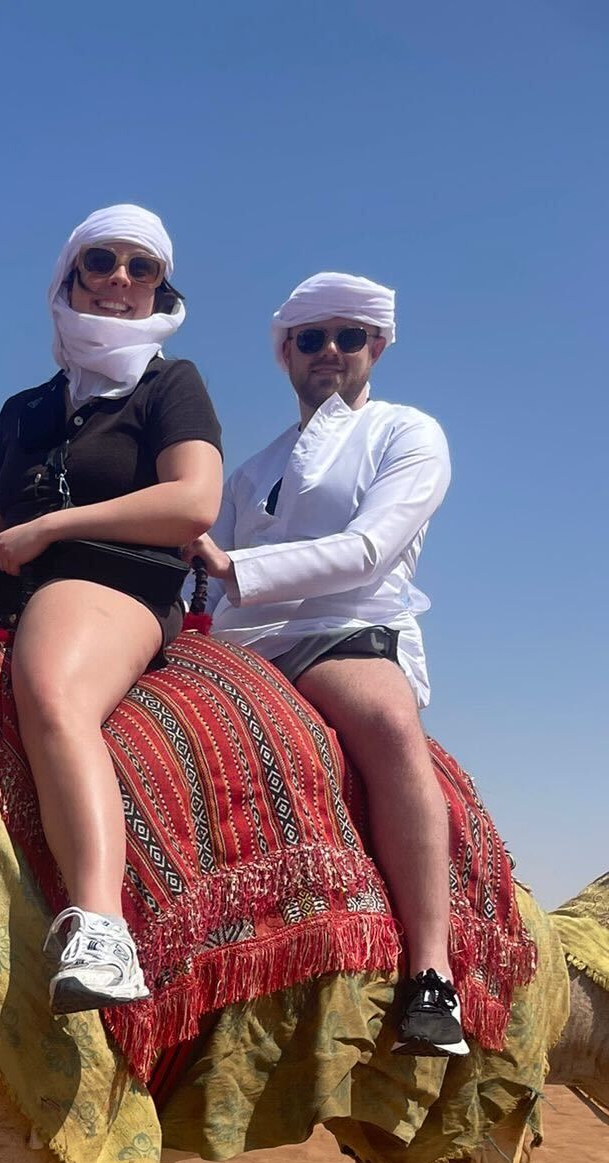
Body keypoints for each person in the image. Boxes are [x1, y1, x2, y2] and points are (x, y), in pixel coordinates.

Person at [0, 206, 222, 1013]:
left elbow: (193, 502)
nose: (122, 281)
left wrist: (57, 526)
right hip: (15, 597)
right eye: (103, 262)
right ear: (70, 277)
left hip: (123, 583)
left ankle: (103, 927)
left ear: (162, 288)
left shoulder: (172, 384)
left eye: (144, 268)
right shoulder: (22, 410)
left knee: (54, 691)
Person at [191, 272, 464, 1055]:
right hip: (244, 642)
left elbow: (371, 549)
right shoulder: (250, 470)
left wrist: (237, 569)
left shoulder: (410, 434)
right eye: (311, 339)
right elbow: (200, 570)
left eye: (349, 337)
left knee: (386, 722)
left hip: (347, 628)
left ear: (376, 345)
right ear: (287, 354)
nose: (330, 352)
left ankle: (430, 975)